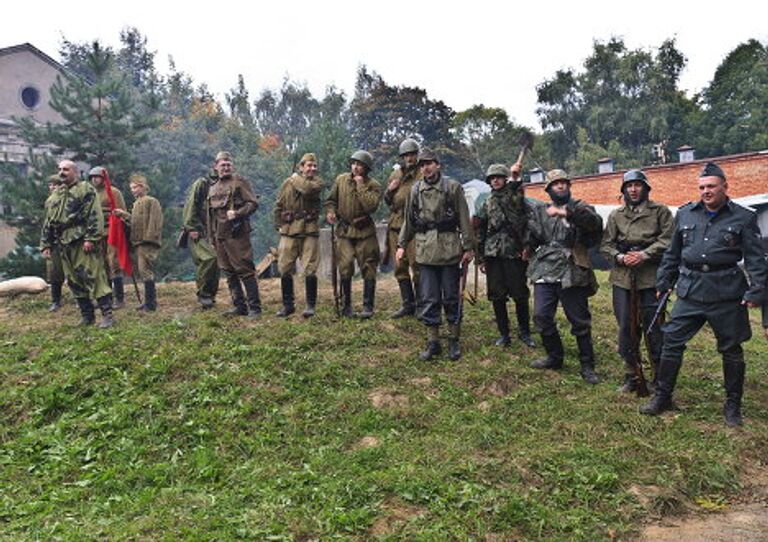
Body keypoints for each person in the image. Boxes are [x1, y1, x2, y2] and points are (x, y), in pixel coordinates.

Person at [641, 162, 768, 426]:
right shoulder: (685, 214)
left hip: (726, 292)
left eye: (711, 186)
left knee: (731, 349)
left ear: (724, 187)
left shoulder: (744, 217)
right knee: (672, 341)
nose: (706, 192)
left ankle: (733, 406)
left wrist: (757, 290)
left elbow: (756, 260)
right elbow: (672, 253)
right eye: (701, 187)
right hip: (690, 289)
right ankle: (663, 396)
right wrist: (664, 280)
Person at [599, 169, 674, 392]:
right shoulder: (615, 215)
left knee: (655, 328)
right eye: (628, 186)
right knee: (626, 327)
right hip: (623, 279)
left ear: (645, 188)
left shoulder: (660, 212)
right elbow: (606, 245)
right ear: (623, 190)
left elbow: (669, 241)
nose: (633, 189)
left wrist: (645, 254)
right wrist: (620, 257)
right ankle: (632, 374)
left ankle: (659, 377)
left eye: (637, 185)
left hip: (651, 278)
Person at [526, 169, 603, 384]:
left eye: (563, 183)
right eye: (555, 184)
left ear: (569, 186)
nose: (560, 186)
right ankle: (554, 356)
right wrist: (528, 246)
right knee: (541, 316)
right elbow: (534, 233)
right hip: (546, 267)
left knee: (579, 320)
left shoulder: (581, 207)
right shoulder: (542, 210)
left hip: (572, 266)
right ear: (549, 189)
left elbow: (594, 224)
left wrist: (569, 213)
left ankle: (587, 365)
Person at [397, 148, 474, 361]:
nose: (426, 168)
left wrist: (468, 247)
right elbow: (409, 220)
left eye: (429, 163)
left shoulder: (453, 188)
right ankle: (433, 342)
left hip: (449, 249)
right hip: (425, 251)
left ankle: (453, 340)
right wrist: (401, 244)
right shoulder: (415, 190)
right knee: (429, 298)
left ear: (438, 165)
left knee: (451, 297)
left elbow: (464, 220)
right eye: (422, 165)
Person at [40, 160, 114, 328]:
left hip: (81, 239)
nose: (61, 172)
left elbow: (94, 214)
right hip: (63, 242)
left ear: (74, 171)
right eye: (59, 169)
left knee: (93, 276)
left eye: (65, 169)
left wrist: (91, 238)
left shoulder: (85, 189)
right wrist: (46, 244)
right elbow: (49, 221)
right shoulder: (56, 195)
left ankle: (107, 315)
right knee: (73, 280)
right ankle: (87, 316)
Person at [475, 163, 535, 348]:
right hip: (493, 253)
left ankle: (525, 332)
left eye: (499, 177)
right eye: (492, 178)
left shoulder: (515, 196)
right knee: (497, 295)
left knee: (519, 294)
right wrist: (481, 258)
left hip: (514, 252)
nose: (495, 180)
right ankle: (504, 334)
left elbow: (520, 200)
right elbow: (480, 230)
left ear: (505, 179)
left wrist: (516, 177)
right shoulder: (486, 202)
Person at [325, 150, 382, 318]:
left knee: (369, 267)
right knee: (345, 265)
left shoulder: (374, 185)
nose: (356, 167)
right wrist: (330, 212)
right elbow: (330, 201)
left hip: (365, 232)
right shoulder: (341, 180)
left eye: (360, 165)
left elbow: (371, 206)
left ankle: (367, 307)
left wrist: (360, 185)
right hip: (345, 231)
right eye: (354, 164)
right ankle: (346, 306)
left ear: (367, 168)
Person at [207, 151, 262, 319]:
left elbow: (253, 203)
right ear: (215, 167)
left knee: (244, 269)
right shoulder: (212, 188)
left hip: (237, 234)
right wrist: (211, 238)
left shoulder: (239, 182)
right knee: (228, 271)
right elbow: (210, 216)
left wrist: (238, 213)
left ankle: (255, 308)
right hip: (220, 236)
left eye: (228, 164)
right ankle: (239, 306)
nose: (226, 167)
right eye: (222, 164)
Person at [274, 153, 323, 318]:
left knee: (310, 268)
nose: (312, 169)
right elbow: (279, 205)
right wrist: (278, 225)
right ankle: (288, 305)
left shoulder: (317, 183)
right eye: (309, 166)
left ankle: (310, 305)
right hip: (289, 231)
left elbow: (306, 190)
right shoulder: (287, 184)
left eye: (314, 166)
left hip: (309, 230)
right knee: (284, 267)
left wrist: (294, 177)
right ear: (301, 167)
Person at [384, 138, 422, 318]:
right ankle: (408, 304)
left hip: (414, 225)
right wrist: (390, 190)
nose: (409, 158)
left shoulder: (422, 173)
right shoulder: (395, 174)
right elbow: (387, 201)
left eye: (412, 154)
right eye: (406, 155)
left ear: (417, 155)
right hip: (396, 224)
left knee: (417, 265)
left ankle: (423, 305)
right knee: (400, 266)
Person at [114, 174, 163, 312]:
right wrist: (122, 214)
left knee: (145, 271)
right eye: (131, 188)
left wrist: (150, 239)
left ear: (142, 187)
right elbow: (134, 222)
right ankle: (147, 302)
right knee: (141, 271)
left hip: (146, 242)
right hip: (137, 242)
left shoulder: (151, 201)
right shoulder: (136, 204)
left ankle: (151, 304)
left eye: (135, 187)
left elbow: (155, 221)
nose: (133, 190)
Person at [88, 166, 127, 308]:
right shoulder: (91, 194)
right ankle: (107, 297)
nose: (94, 179)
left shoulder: (114, 192)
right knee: (102, 265)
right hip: (98, 233)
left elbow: (122, 211)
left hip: (112, 231)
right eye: (92, 177)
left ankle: (120, 299)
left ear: (104, 178)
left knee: (113, 262)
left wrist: (118, 218)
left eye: (97, 177)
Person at [183, 168, 220, 309]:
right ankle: (203, 294)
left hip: (215, 231)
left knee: (216, 263)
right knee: (209, 258)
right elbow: (191, 204)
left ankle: (210, 296)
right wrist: (191, 227)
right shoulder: (202, 183)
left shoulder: (227, 184)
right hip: (200, 230)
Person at [44, 174, 65, 312]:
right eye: (51, 185)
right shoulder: (49, 201)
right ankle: (55, 301)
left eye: (55, 185)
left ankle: (80, 299)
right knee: (54, 272)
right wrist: (45, 245)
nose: (52, 188)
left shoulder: (68, 199)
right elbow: (46, 224)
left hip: (70, 240)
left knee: (75, 273)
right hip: (55, 242)